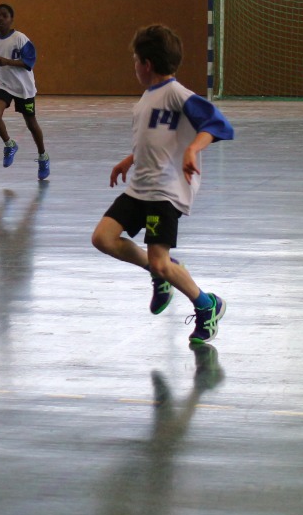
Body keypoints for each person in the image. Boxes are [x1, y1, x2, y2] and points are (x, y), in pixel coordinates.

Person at [90, 24, 234, 346]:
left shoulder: (176, 94)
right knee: (102, 238)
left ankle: (207, 305)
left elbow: (217, 124)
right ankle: (162, 271)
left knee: (160, 261)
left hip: (165, 192)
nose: (134, 66)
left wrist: (193, 149)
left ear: (147, 64)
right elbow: (157, 138)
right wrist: (130, 159)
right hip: (140, 187)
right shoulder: (146, 99)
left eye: (135, 60)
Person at [0, 2, 49, 179]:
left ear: (11, 19)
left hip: (23, 87)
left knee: (31, 124)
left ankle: (43, 156)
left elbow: (29, 62)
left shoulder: (21, 39)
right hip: (3, 83)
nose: (0, 19)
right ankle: (9, 144)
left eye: (4, 16)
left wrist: (7, 62)